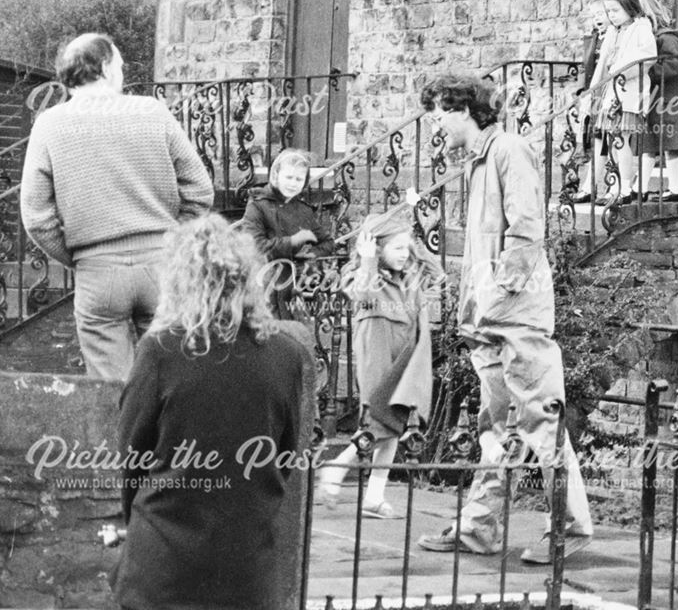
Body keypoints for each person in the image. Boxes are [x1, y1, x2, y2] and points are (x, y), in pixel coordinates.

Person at [416, 75, 593, 564]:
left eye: (439, 109)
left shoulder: (509, 150)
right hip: (490, 318)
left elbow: (527, 229)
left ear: (465, 111)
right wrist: (476, 307)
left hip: (516, 314)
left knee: (540, 419)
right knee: (497, 427)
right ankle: (479, 527)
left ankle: (571, 526)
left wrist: (500, 292)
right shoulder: (477, 161)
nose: (435, 119)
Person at [111, 214, 309, 610]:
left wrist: (135, 523)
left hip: (163, 565)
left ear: (179, 280)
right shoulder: (287, 355)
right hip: (246, 569)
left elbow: (132, 458)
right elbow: (285, 457)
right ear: (247, 279)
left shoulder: (160, 351)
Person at [20, 33, 213, 381]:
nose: (123, 72)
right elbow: (200, 189)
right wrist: (173, 239)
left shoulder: (49, 124)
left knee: (114, 394)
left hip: (97, 271)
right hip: (163, 265)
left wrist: (80, 255)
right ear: (106, 67)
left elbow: (36, 217)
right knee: (175, 382)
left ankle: (124, 437)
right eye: (120, 64)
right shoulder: (152, 111)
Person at [318, 210, 441, 517]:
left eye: (406, 248)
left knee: (395, 421)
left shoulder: (408, 276)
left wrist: (415, 243)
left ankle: (374, 495)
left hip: (405, 355)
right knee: (380, 419)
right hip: (377, 350)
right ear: (376, 246)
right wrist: (369, 259)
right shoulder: (361, 274)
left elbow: (436, 271)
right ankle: (338, 467)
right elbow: (362, 293)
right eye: (397, 248)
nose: (404, 254)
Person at [241, 148, 336, 318]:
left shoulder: (303, 210)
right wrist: (292, 242)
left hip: (292, 288)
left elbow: (327, 242)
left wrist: (307, 255)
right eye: (289, 177)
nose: (293, 184)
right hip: (262, 284)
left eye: (299, 179)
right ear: (276, 175)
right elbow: (255, 246)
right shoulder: (257, 205)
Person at [587, 0, 657, 205]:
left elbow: (647, 57)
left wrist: (620, 68)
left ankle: (625, 187)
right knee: (611, 141)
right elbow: (603, 63)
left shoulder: (641, 27)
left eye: (615, 11)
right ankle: (616, 185)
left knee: (621, 140)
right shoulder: (612, 32)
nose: (611, 16)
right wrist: (592, 90)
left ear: (629, 6)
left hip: (629, 94)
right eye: (609, 12)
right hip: (611, 95)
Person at [637, 0, 678, 203]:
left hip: (671, 100)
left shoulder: (668, 38)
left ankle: (675, 189)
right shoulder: (655, 38)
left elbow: (673, 65)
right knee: (648, 145)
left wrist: (647, 70)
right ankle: (640, 189)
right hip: (656, 100)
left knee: (672, 146)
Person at [574, 0, 609, 204]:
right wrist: (582, 93)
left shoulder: (615, 37)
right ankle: (588, 185)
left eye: (602, 14)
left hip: (609, 94)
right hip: (593, 95)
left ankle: (612, 187)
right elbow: (584, 68)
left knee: (609, 141)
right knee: (595, 140)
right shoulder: (593, 40)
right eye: (594, 15)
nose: (598, 18)